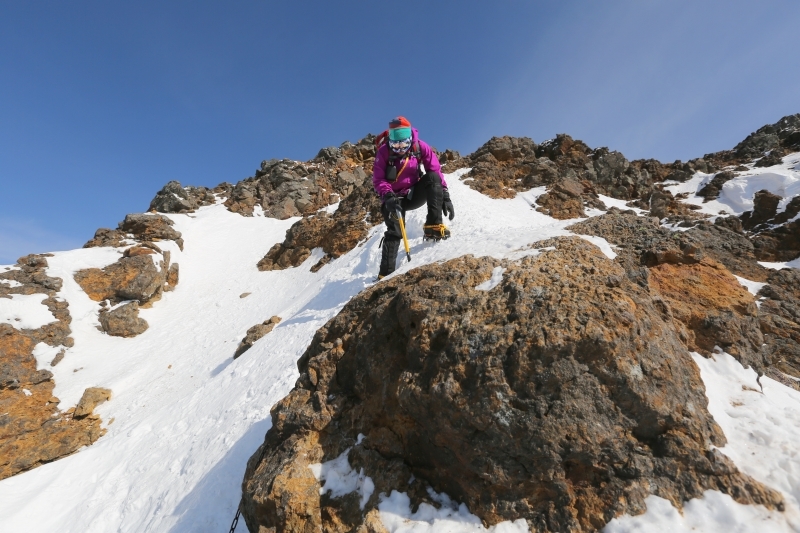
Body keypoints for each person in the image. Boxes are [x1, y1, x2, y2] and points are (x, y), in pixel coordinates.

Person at [372, 116, 455, 278]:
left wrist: (445, 195)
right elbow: (378, 179)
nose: (400, 147)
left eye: (404, 142)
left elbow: (435, 169)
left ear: (410, 137)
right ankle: (385, 273)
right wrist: (388, 196)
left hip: (413, 194)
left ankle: (433, 226)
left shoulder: (419, 147)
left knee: (432, 178)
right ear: (390, 138)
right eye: (396, 143)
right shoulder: (383, 152)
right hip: (393, 199)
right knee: (395, 231)